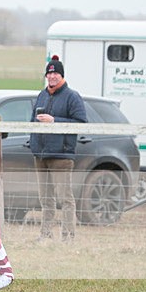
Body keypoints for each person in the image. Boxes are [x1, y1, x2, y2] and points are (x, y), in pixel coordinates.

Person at [31, 55, 87, 241]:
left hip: (61, 155)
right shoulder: (42, 95)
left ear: (61, 76)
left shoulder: (72, 97)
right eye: (49, 73)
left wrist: (55, 121)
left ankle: (68, 236)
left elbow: (81, 122)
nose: (52, 76)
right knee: (45, 199)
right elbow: (32, 121)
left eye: (56, 73)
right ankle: (45, 235)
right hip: (41, 155)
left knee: (65, 199)